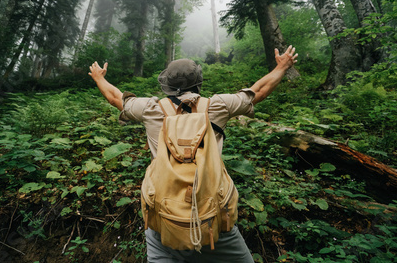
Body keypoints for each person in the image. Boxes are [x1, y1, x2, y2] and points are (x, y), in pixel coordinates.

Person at [89, 46, 298, 263]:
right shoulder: (217, 106)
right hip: (212, 220)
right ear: (198, 81)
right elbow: (259, 92)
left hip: (164, 220)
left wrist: (98, 78)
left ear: (167, 85)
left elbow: (116, 98)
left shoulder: (151, 108)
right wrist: (282, 66)